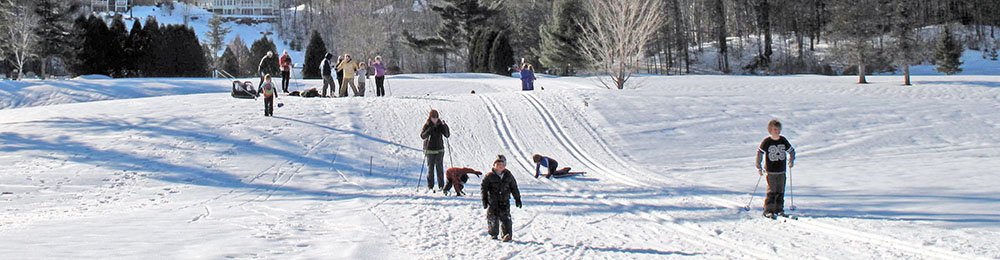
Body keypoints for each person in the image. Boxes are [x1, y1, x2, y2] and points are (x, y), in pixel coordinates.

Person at [755, 119, 796, 219]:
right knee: (772, 191)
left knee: (780, 191)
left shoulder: (783, 140)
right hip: (771, 171)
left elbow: (791, 151)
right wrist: (759, 167)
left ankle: (779, 209)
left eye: (778, 129)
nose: (777, 131)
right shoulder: (767, 142)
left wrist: (791, 160)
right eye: (775, 129)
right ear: (770, 130)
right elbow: (759, 154)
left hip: (781, 170)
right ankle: (768, 210)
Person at [481, 155, 521, 242]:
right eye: (498, 164)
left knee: (506, 218)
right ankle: (493, 234)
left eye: (502, 165)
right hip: (493, 201)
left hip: (504, 200)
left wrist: (517, 198)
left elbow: (514, 187)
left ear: (505, 166)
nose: (500, 166)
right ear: (494, 165)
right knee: (492, 218)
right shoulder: (489, 176)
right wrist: (484, 199)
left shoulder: (508, 176)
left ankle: (507, 234)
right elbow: (484, 188)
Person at [420, 109, 451, 191]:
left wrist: (445, 126)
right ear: (430, 118)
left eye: (436, 117)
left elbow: (447, 135)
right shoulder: (427, 125)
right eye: (433, 117)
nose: (435, 119)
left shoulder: (440, 125)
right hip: (429, 150)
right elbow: (422, 136)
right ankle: (430, 186)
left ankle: (441, 186)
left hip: (439, 150)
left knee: (439, 168)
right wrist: (429, 130)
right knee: (430, 169)